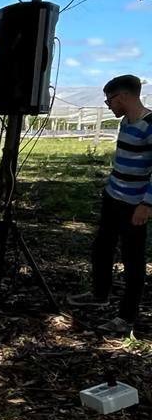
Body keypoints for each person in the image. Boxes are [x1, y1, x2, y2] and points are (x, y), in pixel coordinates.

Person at [67, 74, 152, 335]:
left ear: (124, 97)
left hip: (134, 204)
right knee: (102, 248)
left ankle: (126, 317)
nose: (108, 105)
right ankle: (100, 293)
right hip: (113, 196)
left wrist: (147, 204)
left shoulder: (150, 125)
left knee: (133, 261)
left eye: (110, 100)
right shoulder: (126, 122)